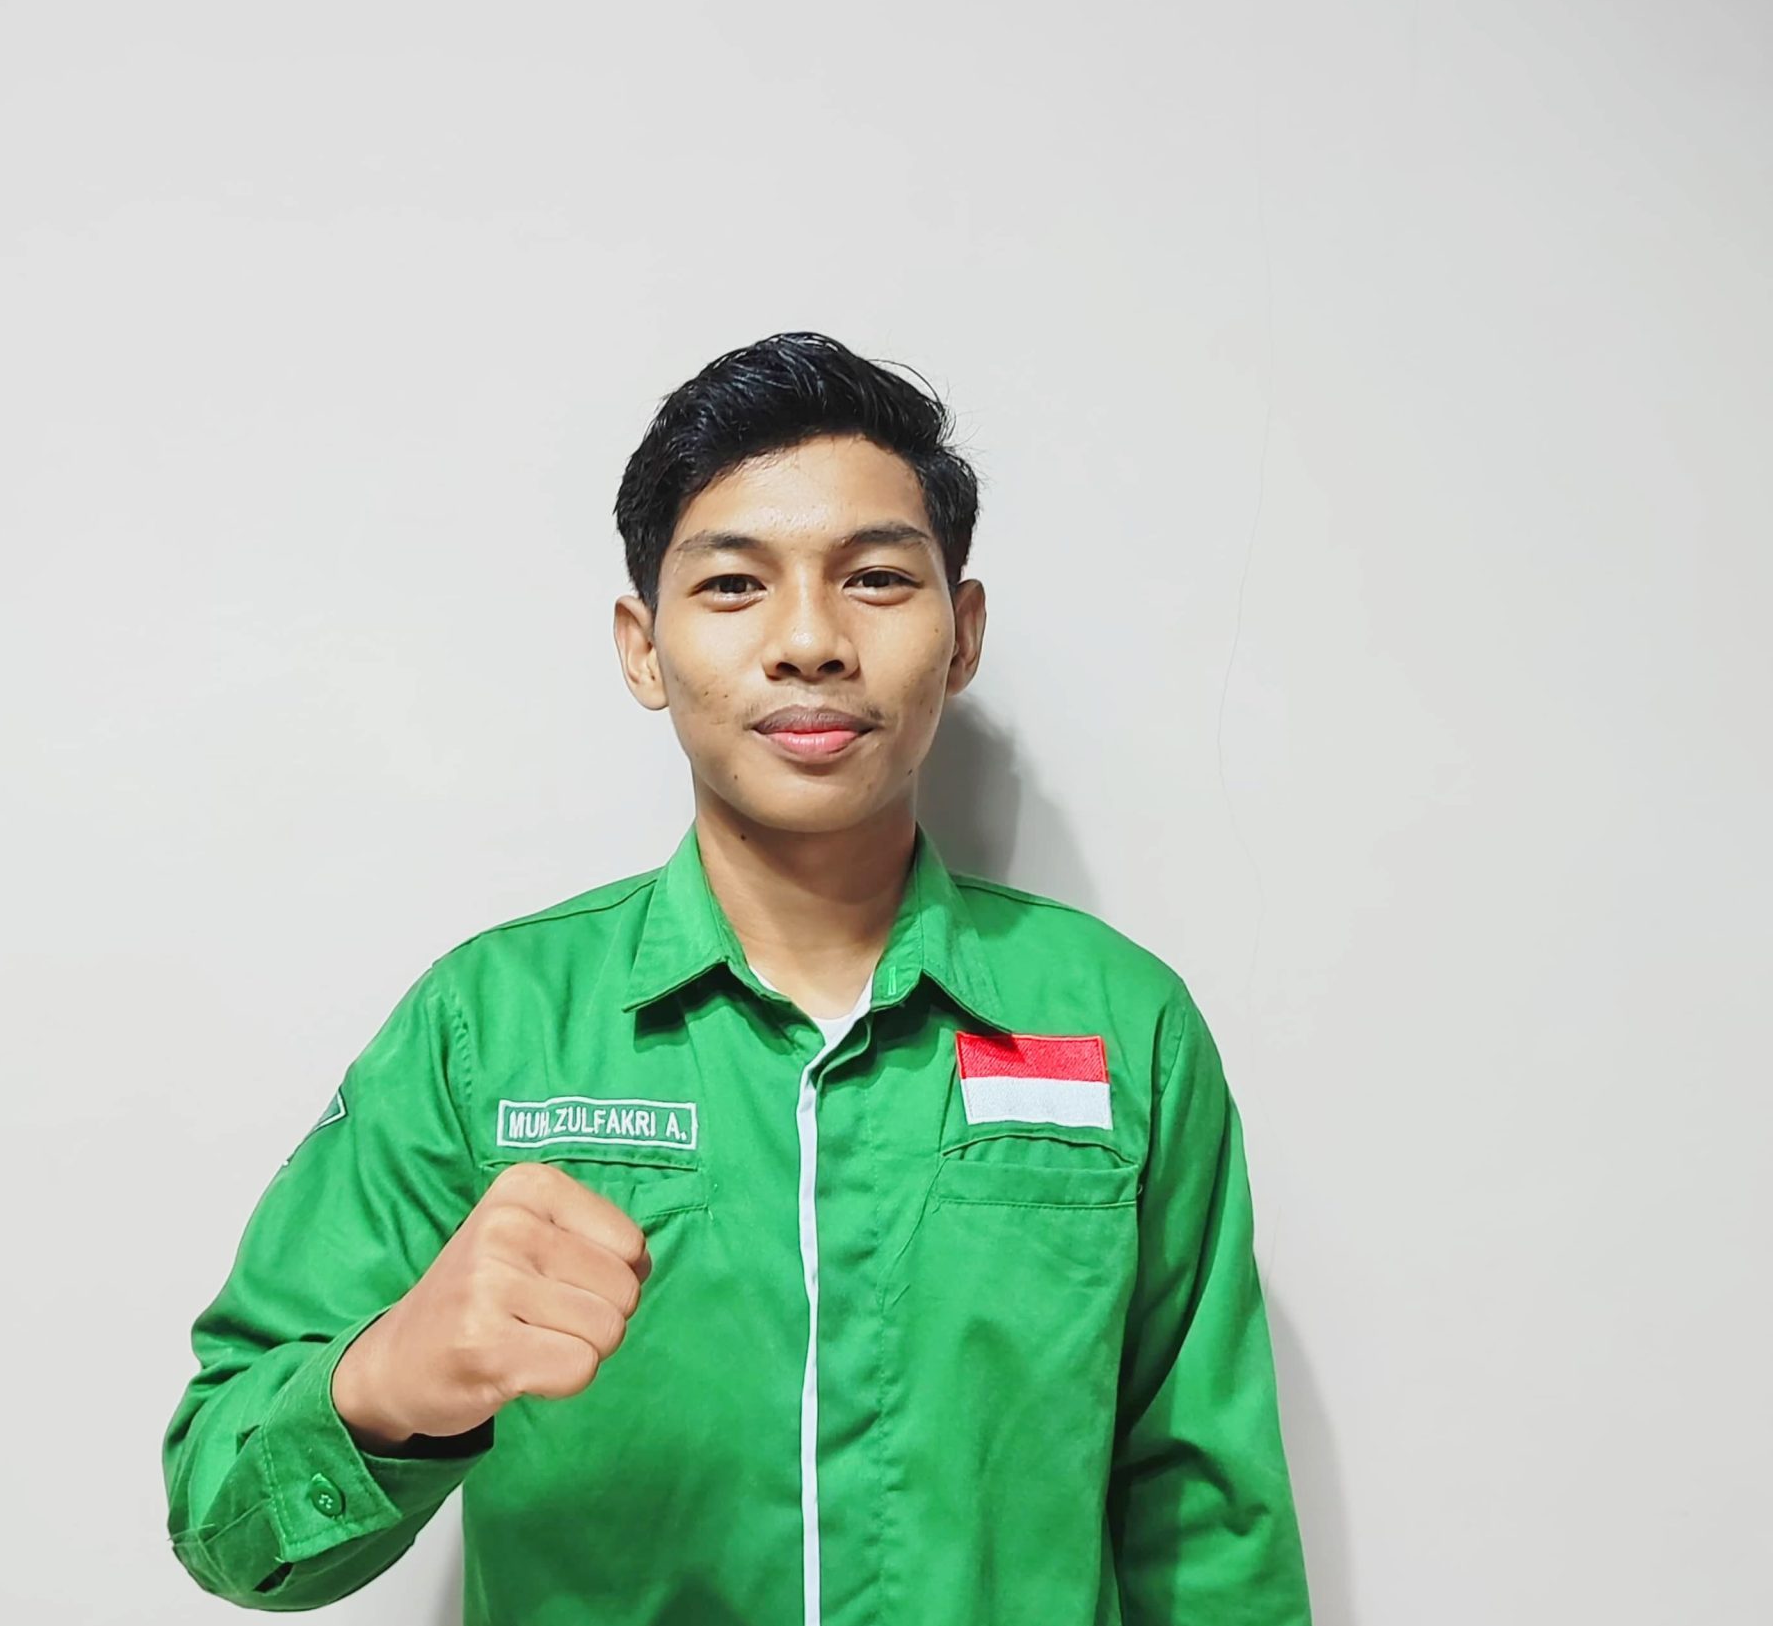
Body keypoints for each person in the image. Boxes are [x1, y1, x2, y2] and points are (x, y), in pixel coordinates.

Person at [162, 328, 1313, 1624]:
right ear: (643, 647)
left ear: (963, 633)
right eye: (732, 585)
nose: (810, 639)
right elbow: (220, 1510)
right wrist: (389, 1379)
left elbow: (1209, 1527)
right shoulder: (487, 1026)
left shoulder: (1122, 1024)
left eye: (876, 578)